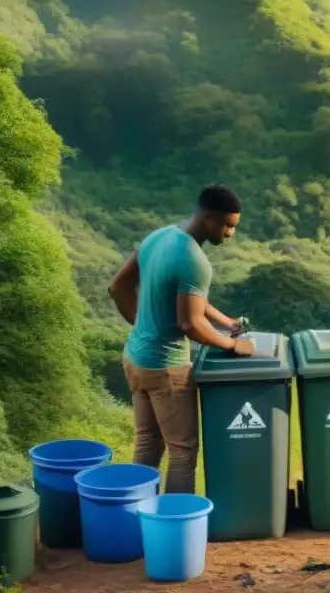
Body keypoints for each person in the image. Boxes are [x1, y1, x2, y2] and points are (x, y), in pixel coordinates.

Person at [107, 183, 255, 494]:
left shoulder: (159, 237)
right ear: (208, 218)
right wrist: (231, 344)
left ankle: (137, 518)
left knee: (148, 442)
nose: (230, 234)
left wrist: (225, 321)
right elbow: (189, 322)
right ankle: (174, 531)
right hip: (166, 368)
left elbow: (117, 287)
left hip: (136, 358)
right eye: (228, 226)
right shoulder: (194, 261)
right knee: (183, 452)